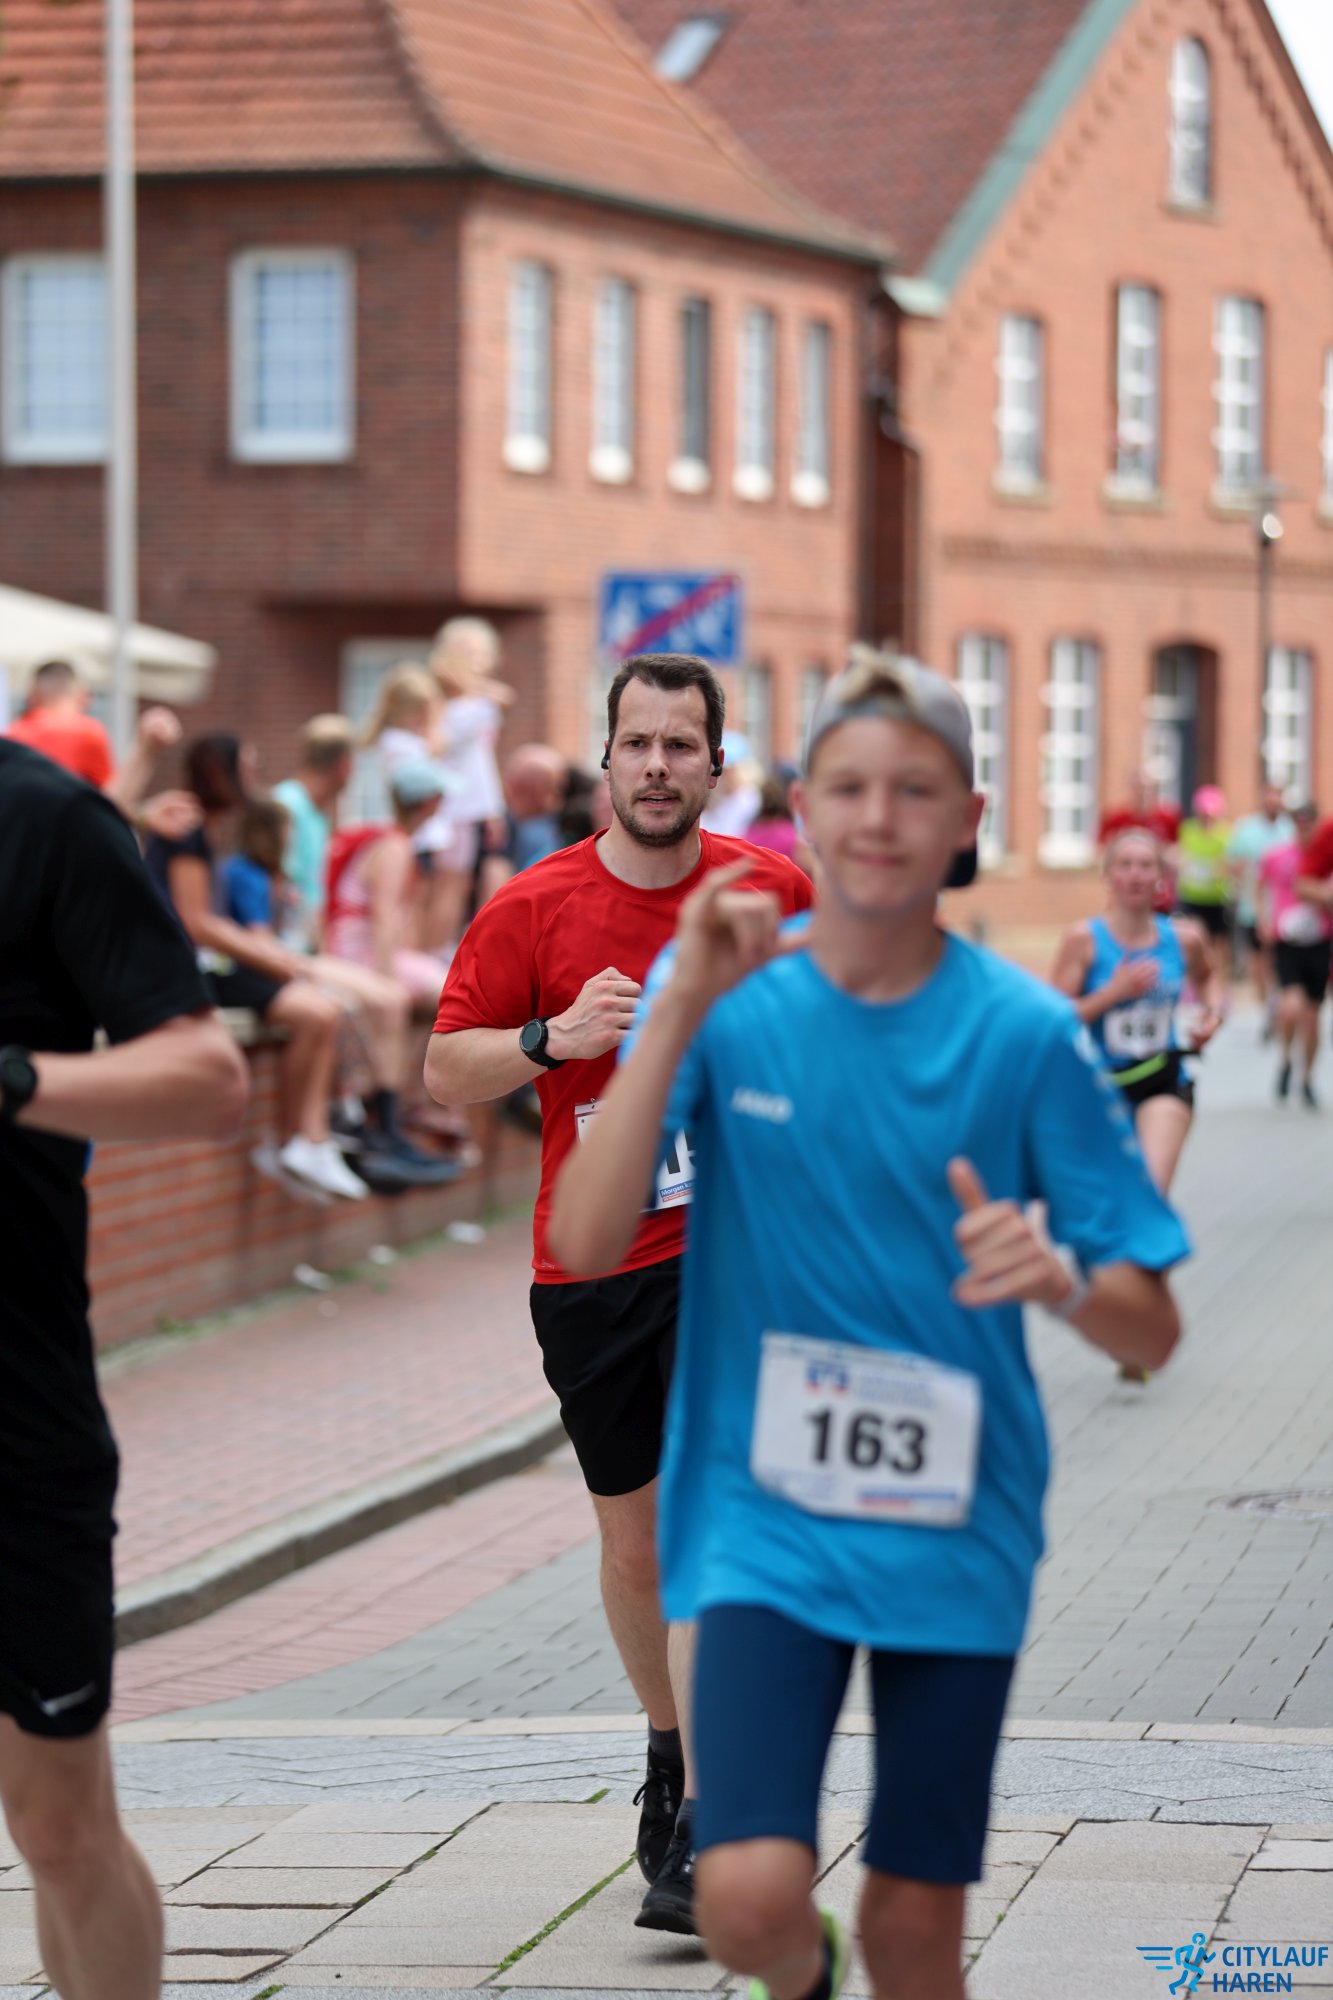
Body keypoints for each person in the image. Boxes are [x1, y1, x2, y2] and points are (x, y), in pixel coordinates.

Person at [548, 650, 1187, 2000]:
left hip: (954, 1520)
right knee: (743, 1902)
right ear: (802, 812)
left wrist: (1058, 1281)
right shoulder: (733, 1007)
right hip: (761, 1518)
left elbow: (1152, 1332)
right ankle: (804, 1970)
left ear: (968, 819)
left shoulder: (1024, 1033)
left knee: (912, 1927)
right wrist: (673, 1011)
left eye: (916, 788)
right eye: (847, 786)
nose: (879, 816)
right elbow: (587, 1238)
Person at [426, 652, 812, 1936]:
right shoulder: (532, 907)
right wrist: (552, 1039)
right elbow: (445, 1066)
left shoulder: (771, 891)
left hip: (736, 1254)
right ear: (606, 757)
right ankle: (671, 1740)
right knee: (635, 1542)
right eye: (636, 743)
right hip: (593, 1268)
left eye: (679, 745)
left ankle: (711, 1814)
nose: (656, 765)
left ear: (716, 763)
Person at [0, 735, 248, 2000]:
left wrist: (10, 1076)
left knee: (56, 1819)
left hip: (13, 1407)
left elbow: (206, 1074)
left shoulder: (45, 816)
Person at [144, 734, 369, 1203]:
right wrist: (269, 956)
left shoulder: (205, 830)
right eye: (247, 765)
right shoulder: (188, 828)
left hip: (203, 963)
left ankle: (307, 1139)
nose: (255, 774)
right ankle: (295, 1140)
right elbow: (196, 921)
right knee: (316, 1014)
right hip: (185, 970)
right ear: (221, 771)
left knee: (325, 1011)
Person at [1050, 829, 1224, 1198]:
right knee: (1102, 1199)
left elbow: (1209, 978)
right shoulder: (1083, 939)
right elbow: (1053, 1021)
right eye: (1125, 865)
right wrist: (1113, 994)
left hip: (1162, 1078)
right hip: (1097, 1085)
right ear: (1107, 876)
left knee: (1149, 1193)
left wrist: (1211, 1015)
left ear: (1161, 876)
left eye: (1146, 866)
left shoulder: (1184, 939)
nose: (1135, 875)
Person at [7, 656, 198, 838]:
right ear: (85, 697)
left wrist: (144, 816)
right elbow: (109, 807)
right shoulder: (87, 732)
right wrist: (146, 750)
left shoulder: (11, 736)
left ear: (32, 694)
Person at [428, 617, 516, 946]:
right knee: (450, 885)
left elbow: (480, 761)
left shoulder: (475, 704)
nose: (478, 661)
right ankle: (436, 951)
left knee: (479, 883)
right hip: (455, 809)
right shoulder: (458, 707)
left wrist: (492, 807)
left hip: (476, 806)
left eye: (482, 653)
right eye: (468, 653)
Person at [1258, 804, 1329, 1109]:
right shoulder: (1278, 855)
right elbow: (1261, 886)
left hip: (1320, 940)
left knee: (1312, 1018)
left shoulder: (1325, 855)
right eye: (1299, 822)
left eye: (1309, 822)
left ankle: (1307, 1078)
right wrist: (1263, 919)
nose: (1304, 828)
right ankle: (1286, 1058)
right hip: (1287, 940)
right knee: (1290, 1007)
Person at [273, 714, 357, 951]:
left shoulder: (315, 811)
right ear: (344, 765)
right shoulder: (286, 805)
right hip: (284, 951)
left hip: (306, 949)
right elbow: (276, 883)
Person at [1227, 783, 1295, 1032]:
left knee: (1277, 962)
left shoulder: (1290, 829)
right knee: (1257, 964)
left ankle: (1278, 1005)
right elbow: (1231, 863)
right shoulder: (1246, 829)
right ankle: (1267, 1006)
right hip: (1252, 907)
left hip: (1283, 910)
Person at [1098, 768, 1182, 915]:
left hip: (1159, 895)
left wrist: (1157, 857)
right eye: (1137, 787)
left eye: (1145, 787)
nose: (1142, 792)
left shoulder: (1168, 818)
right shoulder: (1116, 818)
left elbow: (1179, 852)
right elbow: (1102, 852)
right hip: (1124, 895)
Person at [1174, 785, 1233, 947]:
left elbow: (1229, 864)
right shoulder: (1187, 829)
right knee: (1190, 940)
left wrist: (1218, 869)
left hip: (1217, 898)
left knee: (1217, 942)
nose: (1206, 819)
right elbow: (1179, 854)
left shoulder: (1225, 834)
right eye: (1203, 814)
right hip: (1191, 896)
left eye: (1210, 815)